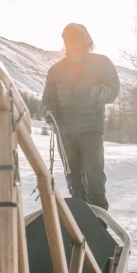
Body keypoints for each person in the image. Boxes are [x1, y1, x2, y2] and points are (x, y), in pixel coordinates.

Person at [42, 23, 120, 211]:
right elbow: (47, 99)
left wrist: (102, 92)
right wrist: (48, 112)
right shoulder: (55, 70)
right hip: (64, 132)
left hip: (91, 128)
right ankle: (80, 223)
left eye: (76, 38)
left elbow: (114, 90)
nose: (72, 43)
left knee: (94, 177)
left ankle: (99, 224)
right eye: (68, 39)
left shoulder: (101, 62)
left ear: (86, 40)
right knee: (74, 179)